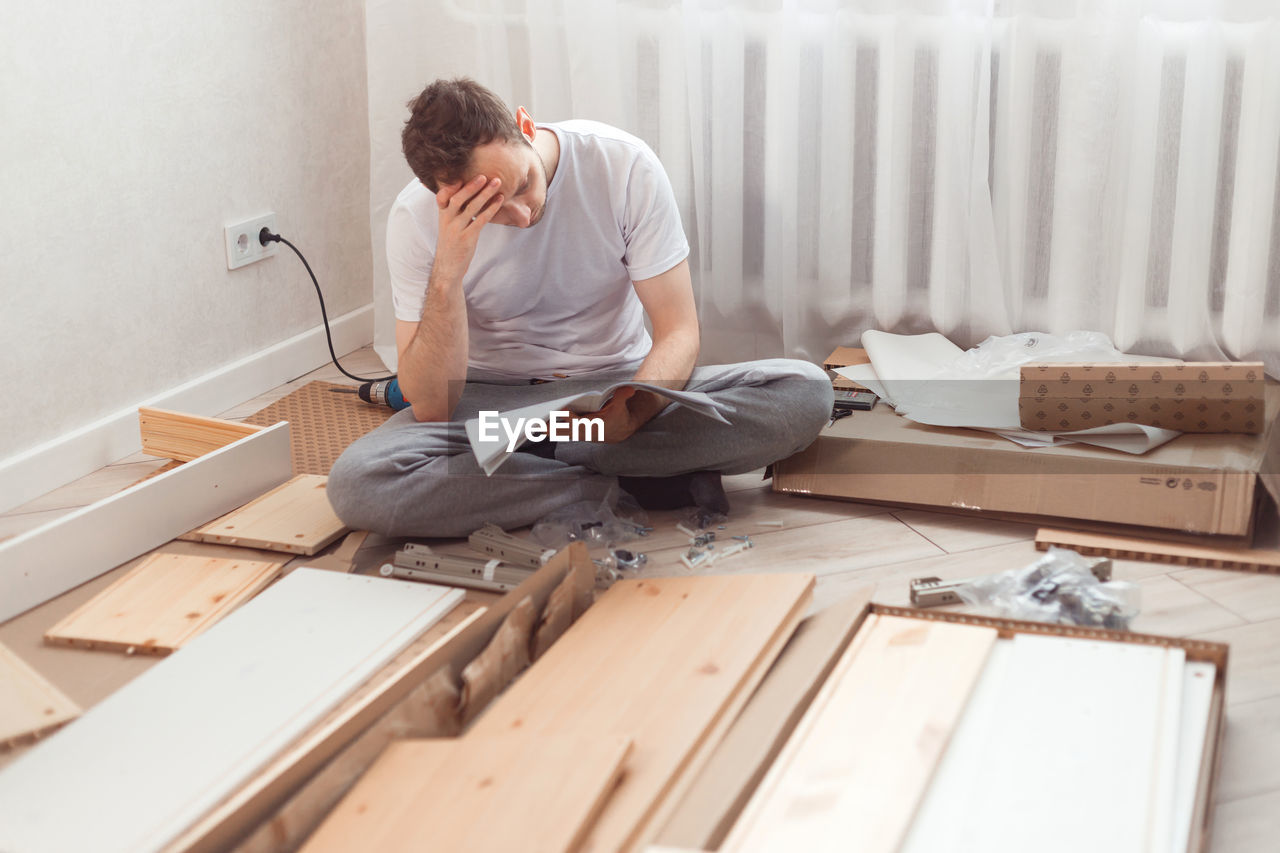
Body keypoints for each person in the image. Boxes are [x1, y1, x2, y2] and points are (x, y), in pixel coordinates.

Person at [327, 78, 831, 538]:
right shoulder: (413, 220)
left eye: (521, 184)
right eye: (491, 211)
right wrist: (448, 271)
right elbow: (432, 405)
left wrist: (633, 411)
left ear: (525, 126)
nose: (522, 215)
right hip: (491, 409)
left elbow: (679, 333)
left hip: (611, 390)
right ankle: (612, 479)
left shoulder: (623, 165)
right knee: (360, 484)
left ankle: (555, 464)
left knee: (804, 391)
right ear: (441, 197)